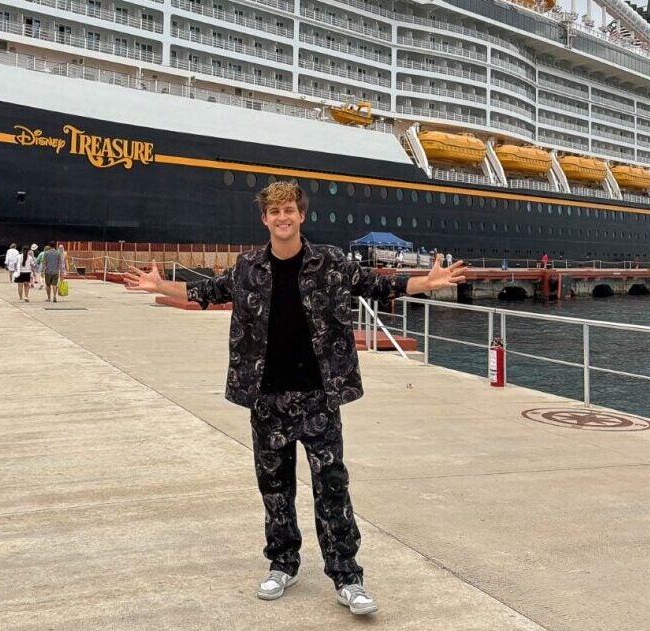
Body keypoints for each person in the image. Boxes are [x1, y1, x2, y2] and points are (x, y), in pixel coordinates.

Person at [124, 180, 464, 617]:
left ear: (301, 215)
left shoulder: (331, 262)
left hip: (320, 396)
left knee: (332, 486)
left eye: (289, 210)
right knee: (275, 488)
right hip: (266, 399)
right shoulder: (248, 267)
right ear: (264, 219)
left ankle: (347, 575)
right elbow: (205, 293)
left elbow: (378, 286)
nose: (282, 217)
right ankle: (282, 564)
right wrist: (160, 285)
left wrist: (427, 282)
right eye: (275, 211)